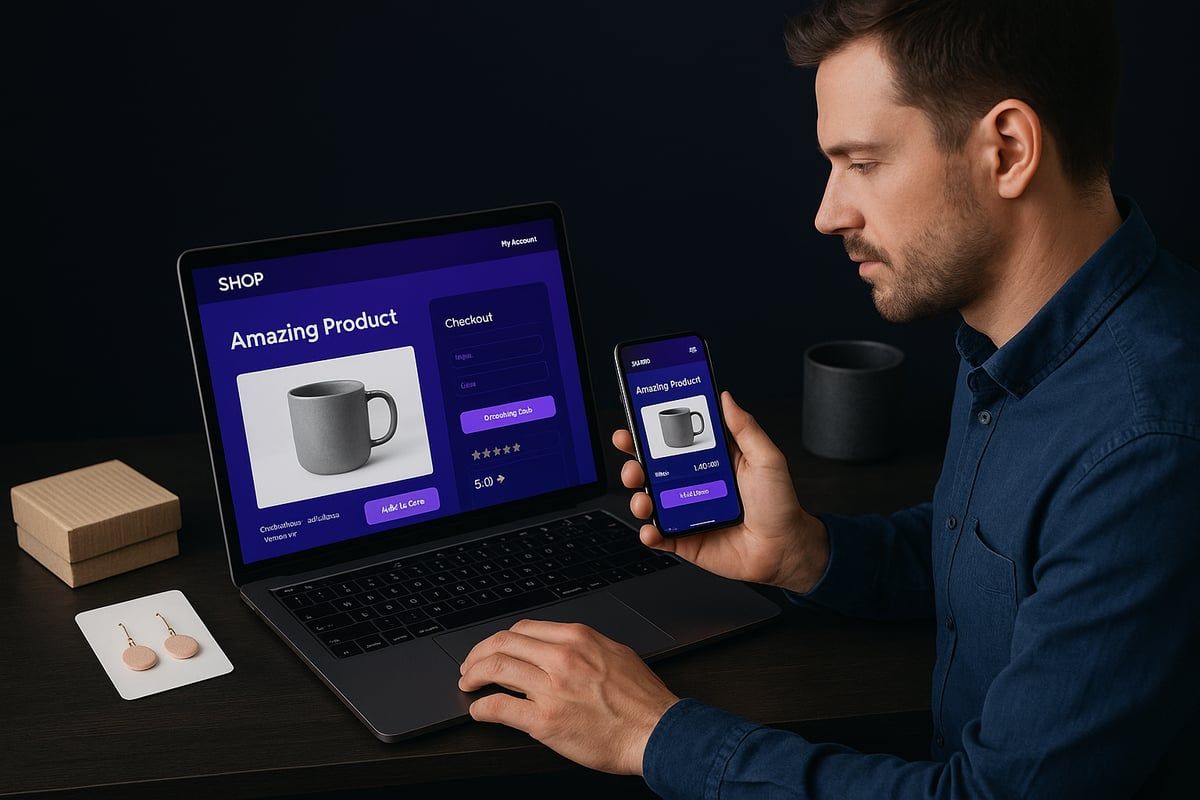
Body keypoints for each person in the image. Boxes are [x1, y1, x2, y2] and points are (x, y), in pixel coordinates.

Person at [455, 1, 1200, 796]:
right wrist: (808, 554)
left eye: (864, 162)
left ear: (1006, 150)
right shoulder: (1019, 337)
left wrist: (649, 732)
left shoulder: (1149, 443)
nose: (827, 213)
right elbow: (1009, 560)